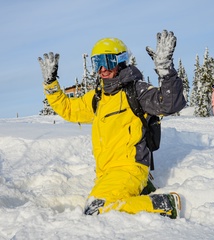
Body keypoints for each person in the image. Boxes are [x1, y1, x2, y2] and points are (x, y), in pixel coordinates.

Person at [38, 30, 186, 218]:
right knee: (99, 207)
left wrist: (166, 71)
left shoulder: (136, 91)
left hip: (129, 168)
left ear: (121, 61)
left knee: (96, 209)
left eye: (106, 62)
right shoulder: (99, 97)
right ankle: (142, 191)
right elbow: (69, 108)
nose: (102, 69)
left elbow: (170, 103)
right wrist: (51, 84)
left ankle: (164, 204)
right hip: (106, 173)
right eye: (97, 63)